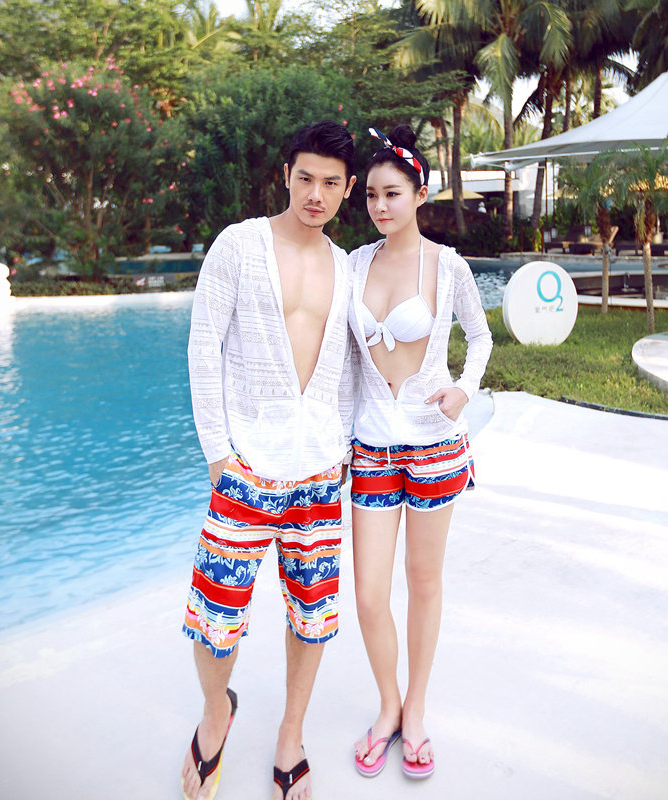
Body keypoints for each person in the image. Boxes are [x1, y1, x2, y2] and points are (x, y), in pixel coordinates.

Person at [181, 119, 357, 800]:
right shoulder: (239, 245)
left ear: (347, 189)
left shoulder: (346, 266)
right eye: (305, 178)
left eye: (330, 183)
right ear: (286, 175)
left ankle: (290, 734)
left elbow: (346, 368)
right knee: (216, 617)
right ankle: (215, 712)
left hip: (318, 470)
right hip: (247, 467)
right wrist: (217, 453)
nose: (316, 194)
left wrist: (342, 449)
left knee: (311, 616)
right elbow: (204, 346)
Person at [348, 125, 492, 780]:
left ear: (420, 195)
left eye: (393, 194)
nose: (381, 206)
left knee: (424, 581)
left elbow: (481, 338)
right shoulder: (354, 264)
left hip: (434, 447)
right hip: (372, 448)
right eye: (372, 195)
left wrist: (464, 388)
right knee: (369, 594)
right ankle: (387, 704)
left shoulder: (447, 264)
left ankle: (416, 712)